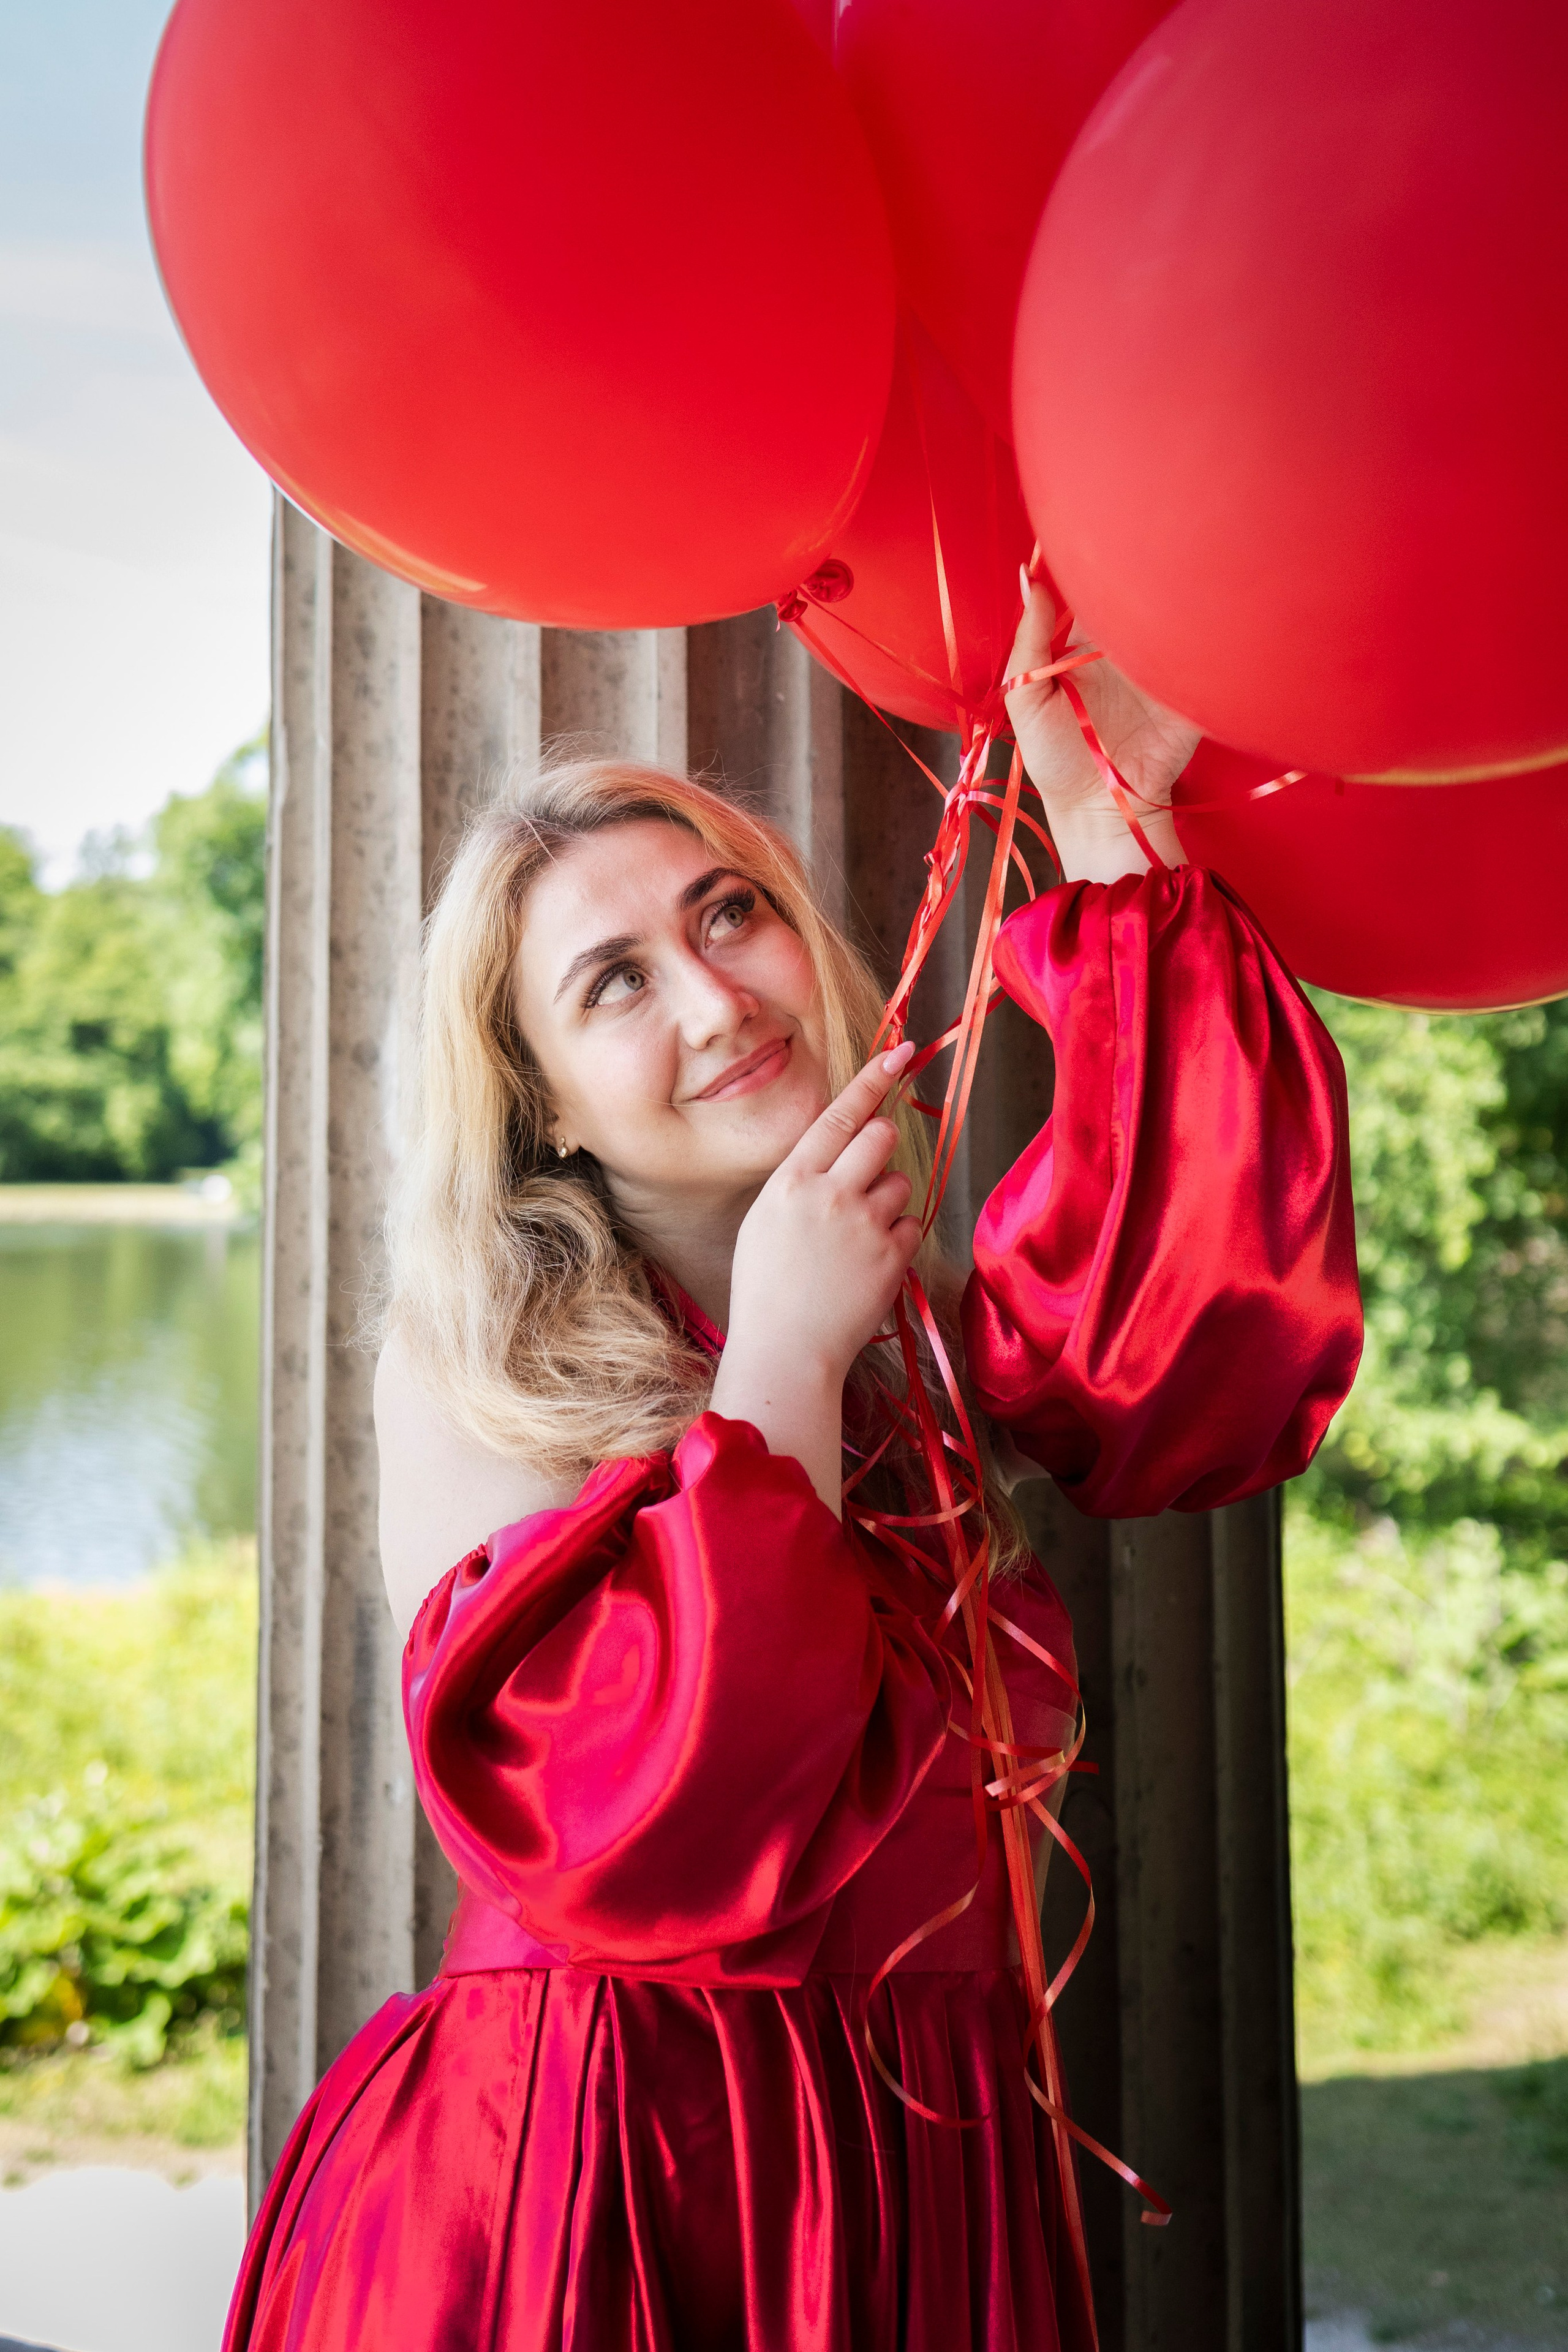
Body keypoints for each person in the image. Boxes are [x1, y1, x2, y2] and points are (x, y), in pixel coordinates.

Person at [222, 586, 1362, 2352]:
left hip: (919, 2164)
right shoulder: (478, 1365)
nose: (715, 995)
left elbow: (1201, 1355)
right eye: (616, 984)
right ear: (545, 1107)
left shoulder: (898, 1314)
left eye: (728, 911)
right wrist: (780, 1363)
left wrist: (1097, 827)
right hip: (608, 2174)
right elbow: (623, 1826)